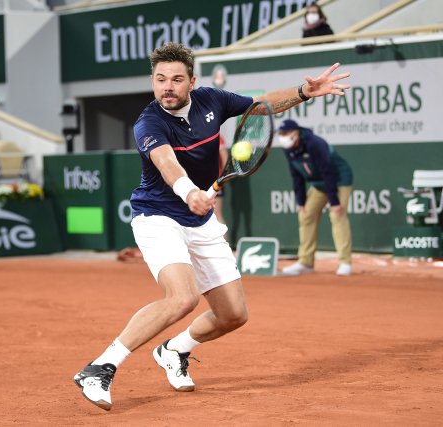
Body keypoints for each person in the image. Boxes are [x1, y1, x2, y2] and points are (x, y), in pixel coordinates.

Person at [73, 42, 350, 411]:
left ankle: (174, 349)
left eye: (175, 80)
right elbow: (166, 162)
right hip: (158, 216)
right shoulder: (149, 123)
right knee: (182, 298)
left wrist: (303, 93)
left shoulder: (212, 100)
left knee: (233, 315)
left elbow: (260, 106)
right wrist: (189, 192)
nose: (167, 87)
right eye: (159, 80)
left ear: (192, 82)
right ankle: (100, 367)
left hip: (200, 221)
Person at [277, 119, 353, 276]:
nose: (283, 137)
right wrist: (301, 202)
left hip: (339, 180)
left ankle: (345, 263)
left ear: (296, 132)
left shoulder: (314, 143)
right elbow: (296, 176)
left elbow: (328, 171)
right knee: (305, 216)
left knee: (337, 215)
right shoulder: (289, 149)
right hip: (318, 184)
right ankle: (306, 263)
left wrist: (334, 201)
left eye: (286, 133)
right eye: (281, 134)